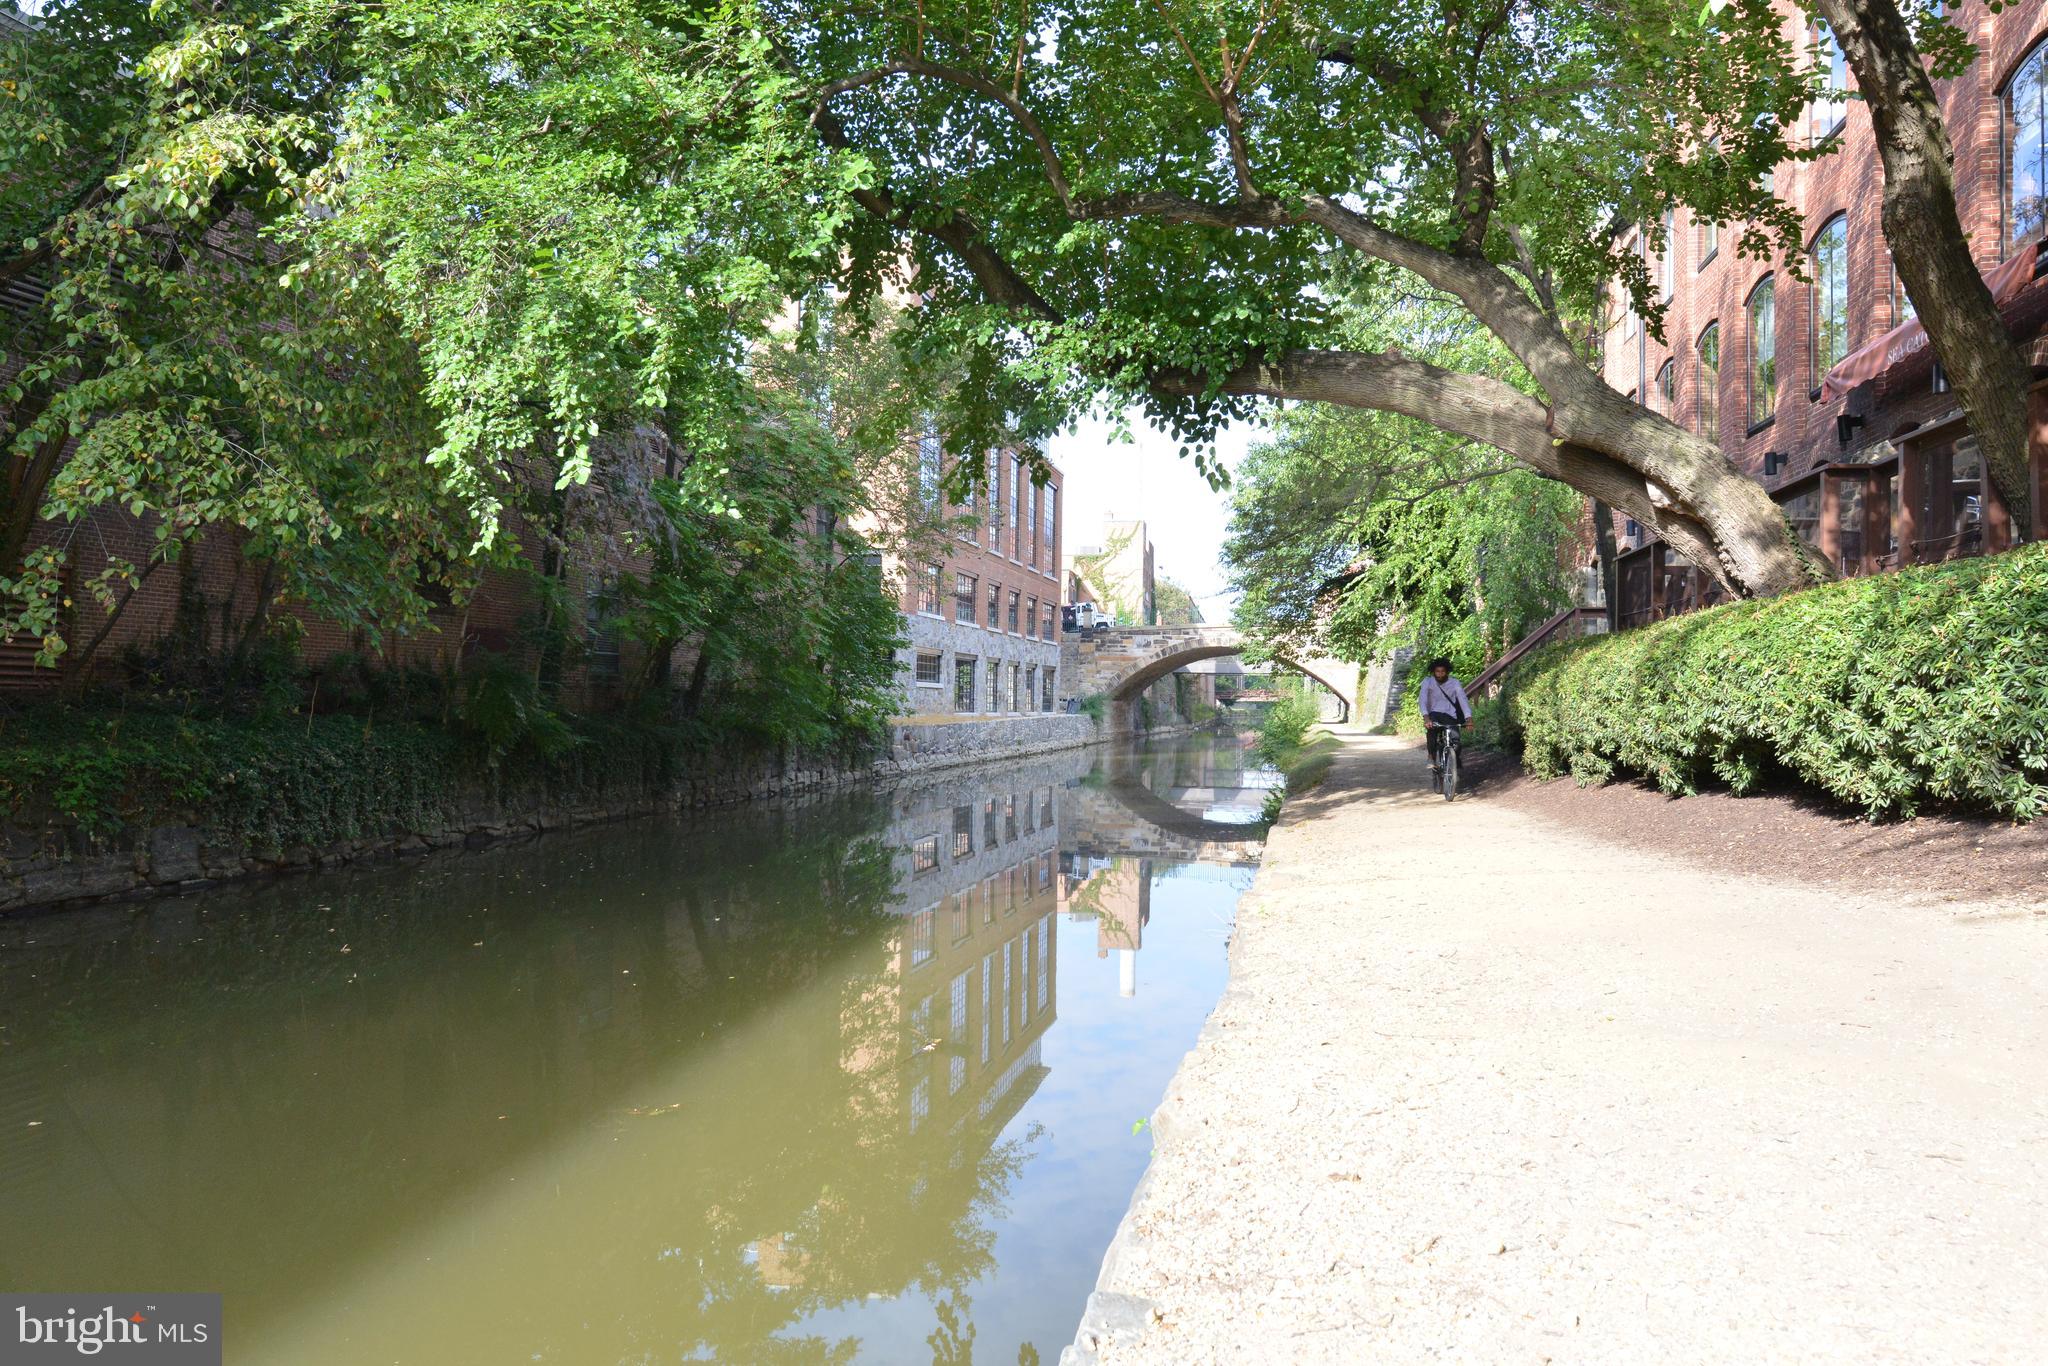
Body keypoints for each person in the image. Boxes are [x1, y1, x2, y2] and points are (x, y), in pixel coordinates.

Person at [1418, 656, 1472, 776]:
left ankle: (1452, 763)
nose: (1440, 674)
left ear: (1447, 671)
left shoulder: (1454, 683)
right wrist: (1426, 718)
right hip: (1433, 714)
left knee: (1456, 742)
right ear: (1434, 672)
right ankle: (1431, 757)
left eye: (1443, 671)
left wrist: (1469, 718)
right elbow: (1422, 700)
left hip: (1450, 715)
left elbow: (1463, 700)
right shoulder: (1428, 682)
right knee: (1431, 732)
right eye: (1437, 671)